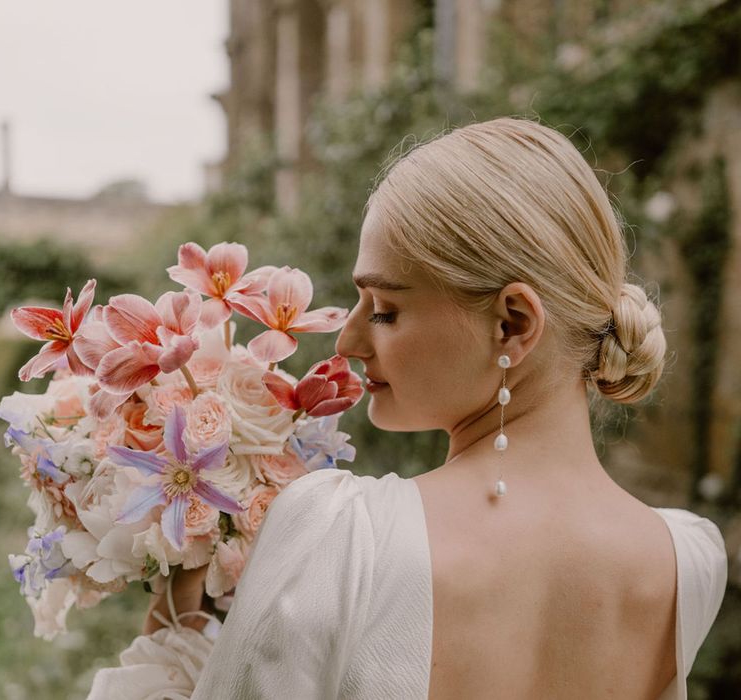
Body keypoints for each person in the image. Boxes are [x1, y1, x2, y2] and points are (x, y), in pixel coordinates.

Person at [91, 117, 728, 699]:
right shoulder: (685, 560)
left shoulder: (343, 537)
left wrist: (171, 640)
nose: (347, 339)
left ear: (511, 324)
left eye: (386, 310)